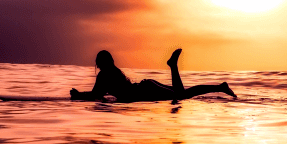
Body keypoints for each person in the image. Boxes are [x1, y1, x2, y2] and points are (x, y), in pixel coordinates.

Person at [70, 49, 236, 102]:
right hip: (146, 86)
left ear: (101, 63)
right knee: (184, 93)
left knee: (182, 95)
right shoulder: (113, 72)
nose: (97, 65)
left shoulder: (104, 76)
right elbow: (101, 95)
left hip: (145, 91)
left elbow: (96, 95)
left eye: (98, 62)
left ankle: (173, 66)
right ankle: (220, 87)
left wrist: (78, 95)